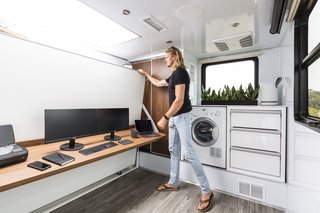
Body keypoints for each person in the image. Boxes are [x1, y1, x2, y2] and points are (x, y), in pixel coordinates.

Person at [137, 46, 214, 212]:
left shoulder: (180, 72)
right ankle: (173, 183)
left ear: (175, 56)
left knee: (190, 153)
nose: (165, 59)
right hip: (174, 117)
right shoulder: (173, 75)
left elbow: (179, 100)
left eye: (166, 56)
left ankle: (207, 192)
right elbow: (158, 83)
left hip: (181, 117)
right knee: (174, 149)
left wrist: (164, 118)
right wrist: (146, 74)